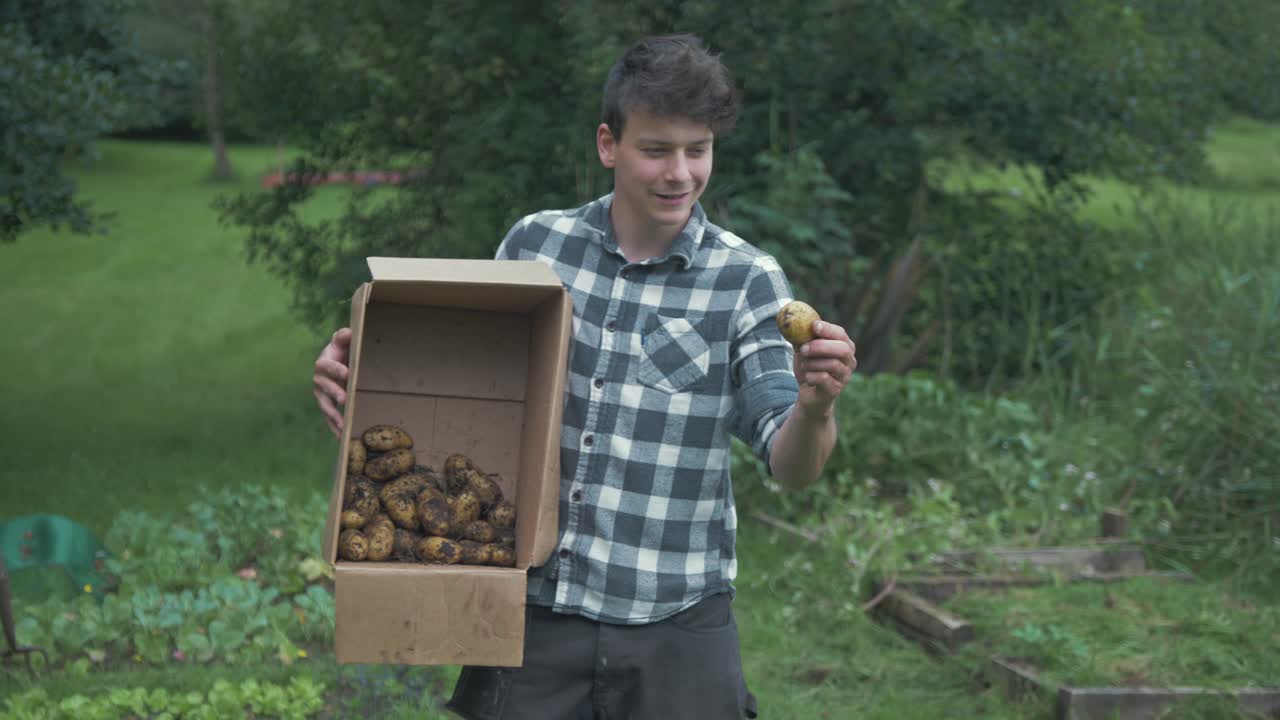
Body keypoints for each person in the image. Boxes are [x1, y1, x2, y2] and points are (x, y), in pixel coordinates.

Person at [312, 34, 857, 720]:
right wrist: (359, 377)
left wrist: (815, 407)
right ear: (609, 145)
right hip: (537, 615)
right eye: (656, 149)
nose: (680, 173)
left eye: (699, 149)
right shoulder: (536, 249)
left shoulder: (747, 282)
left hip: (677, 623)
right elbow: (467, 400)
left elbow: (793, 467)